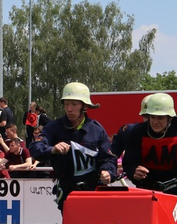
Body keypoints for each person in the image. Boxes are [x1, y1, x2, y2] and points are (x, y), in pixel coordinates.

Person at [30, 82, 117, 211]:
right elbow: (35, 148)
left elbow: (108, 158)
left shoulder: (97, 130)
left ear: (85, 106)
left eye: (74, 104)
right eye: (66, 104)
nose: (69, 109)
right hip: (67, 192)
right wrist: (52, 149)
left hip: (93, 192)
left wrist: (108, 172)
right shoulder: (54, 127)